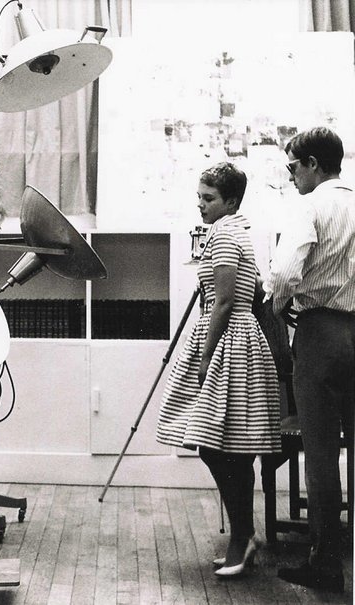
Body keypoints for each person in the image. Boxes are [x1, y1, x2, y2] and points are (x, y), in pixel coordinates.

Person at [156, 162, 282, 577]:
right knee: (223, 444)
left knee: (220, 446)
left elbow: (225, 303)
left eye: (209, 199)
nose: (201, 206)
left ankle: (243, 537)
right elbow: (256, 288)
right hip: (238, 337)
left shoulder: (225, 233)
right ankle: (244, 534)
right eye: (199, 198)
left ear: (230, 200)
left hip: (229, 341)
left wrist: (207, 354)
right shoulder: (238, 231)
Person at [265, 126, 354, 592]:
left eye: (293, 166)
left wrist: (280, 305)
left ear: (314, 164)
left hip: (321, 331)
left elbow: (283, 272)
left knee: (320, 454)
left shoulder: (310, 206)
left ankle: (325, 562)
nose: (291, 175)